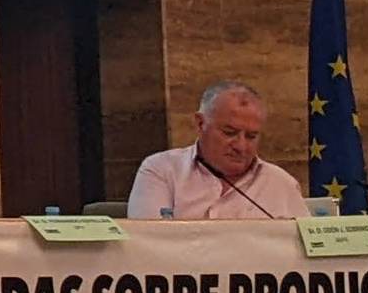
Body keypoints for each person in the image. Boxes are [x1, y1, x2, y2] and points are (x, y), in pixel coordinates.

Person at [126, 80, 309, 219]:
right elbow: (148, 243)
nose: (241, 146)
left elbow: (309, 251)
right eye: (229, 133)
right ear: (200, 123)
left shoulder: (282, 184)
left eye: (251, 136)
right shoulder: (161, 170)